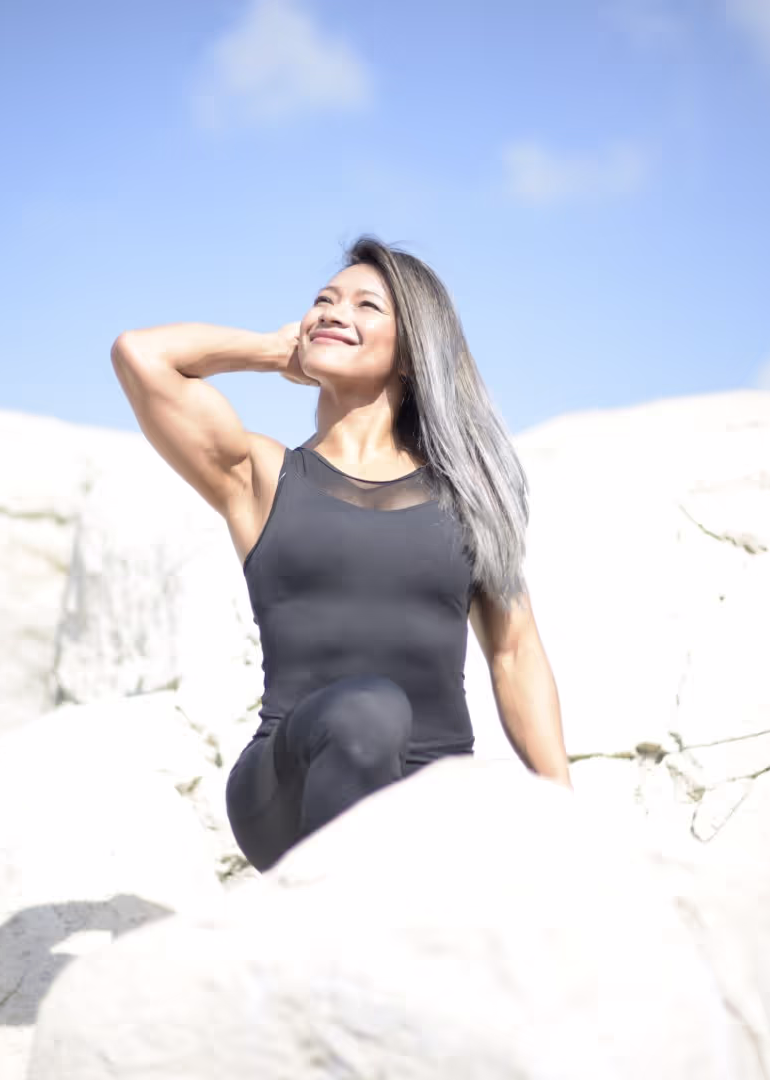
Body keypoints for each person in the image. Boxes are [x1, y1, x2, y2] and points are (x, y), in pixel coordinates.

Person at [111, 236, 571, 872]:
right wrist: (274, 352)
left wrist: (564, 810)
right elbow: (141, 354)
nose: (333, 311)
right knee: (369, 708)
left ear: (411, 351)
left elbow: (515, 653)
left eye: (365, 306)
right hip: (287, 788)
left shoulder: (470, 497)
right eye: (323, 301)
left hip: (429, 793)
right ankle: (327, 927)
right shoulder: (264, 476)